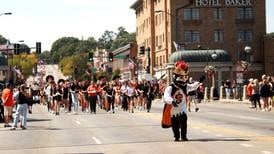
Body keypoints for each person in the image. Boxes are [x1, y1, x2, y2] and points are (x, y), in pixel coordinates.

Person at [163, 60, 204, 142]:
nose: (184, 79)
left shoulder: (185, 86)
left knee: (183, 123)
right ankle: (176, 136)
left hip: (182, 109)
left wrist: (199, 81)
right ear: (177, 76)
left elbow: (192, 87)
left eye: (185, 77)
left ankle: (184, 136)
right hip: (174, 110)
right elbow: (166, 96)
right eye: (182, 77)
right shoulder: (171, 87)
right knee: (175, 124)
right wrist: (171, 101)